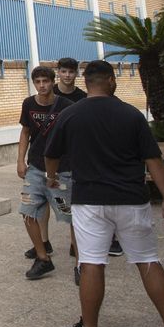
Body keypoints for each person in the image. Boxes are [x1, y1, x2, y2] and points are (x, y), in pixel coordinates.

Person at [45, 60, 164, 327]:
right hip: (131, 200)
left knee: (92, 263)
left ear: (86, 82)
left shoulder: (70, 114)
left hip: (89, 202)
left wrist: (51, 177)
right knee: (147, 260)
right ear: (110, 80)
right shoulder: (130, 114)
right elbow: (152, 161)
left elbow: (51, 154)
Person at [53, 57, 121, 259]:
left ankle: (106, 239)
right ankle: (75, 243)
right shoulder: (50, 95)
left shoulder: (85, 98)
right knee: (67, 204)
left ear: (79, 76)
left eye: (71, 72)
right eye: (63, 71)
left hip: (88, 157)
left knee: (95, 199)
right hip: (63, 159)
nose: (67, 75)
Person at [16, 65, 74, 280]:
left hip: (61, 174)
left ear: (52, 82)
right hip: (36, 169)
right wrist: (20, 161)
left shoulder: (66, 106)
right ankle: (42, 258)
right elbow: (25, 132)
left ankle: (81, 264)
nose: (42, 85)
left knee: (68, 216)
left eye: (45, 81)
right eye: (38, 82)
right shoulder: (28, 104)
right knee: (28, 212)